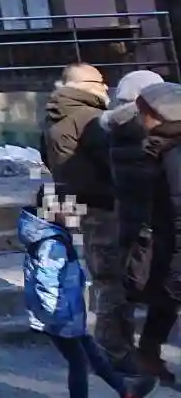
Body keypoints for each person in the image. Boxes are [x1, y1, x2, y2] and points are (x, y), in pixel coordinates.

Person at [22, 198, 158, 398]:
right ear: (52, 212)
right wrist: (59, 317)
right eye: (70, 210)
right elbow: (46, 285)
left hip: (69, 315)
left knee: (93, 355)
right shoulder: (52, 245)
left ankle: (126, 391)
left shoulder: (55, 237)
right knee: (79, 362)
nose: (75, 214)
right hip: (61, 317)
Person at [45, 63, 130, 364]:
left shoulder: (54, 117)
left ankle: (113, 347)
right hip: (104, 207)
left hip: (81, 206)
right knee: (112, 280)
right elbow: (114, 164)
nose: (105, 87)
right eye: (99, 81)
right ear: (82, 85)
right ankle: (115, 350)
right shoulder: (91, 119)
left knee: (104, 277)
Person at [106, 70, 166, 375]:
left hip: (124, 219)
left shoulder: (108, 128)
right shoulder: (152, 132)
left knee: (123, 288)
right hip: (154, 223)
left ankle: (126, 353)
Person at [127, 80, 181, 381]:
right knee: (163, 303)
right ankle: (148, 357)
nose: (138, 118)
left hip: (173, 245)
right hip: (163, 242)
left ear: (161, 114)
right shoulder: (160, 145)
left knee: (166, 299)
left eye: (142, 112)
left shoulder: (174, 152)